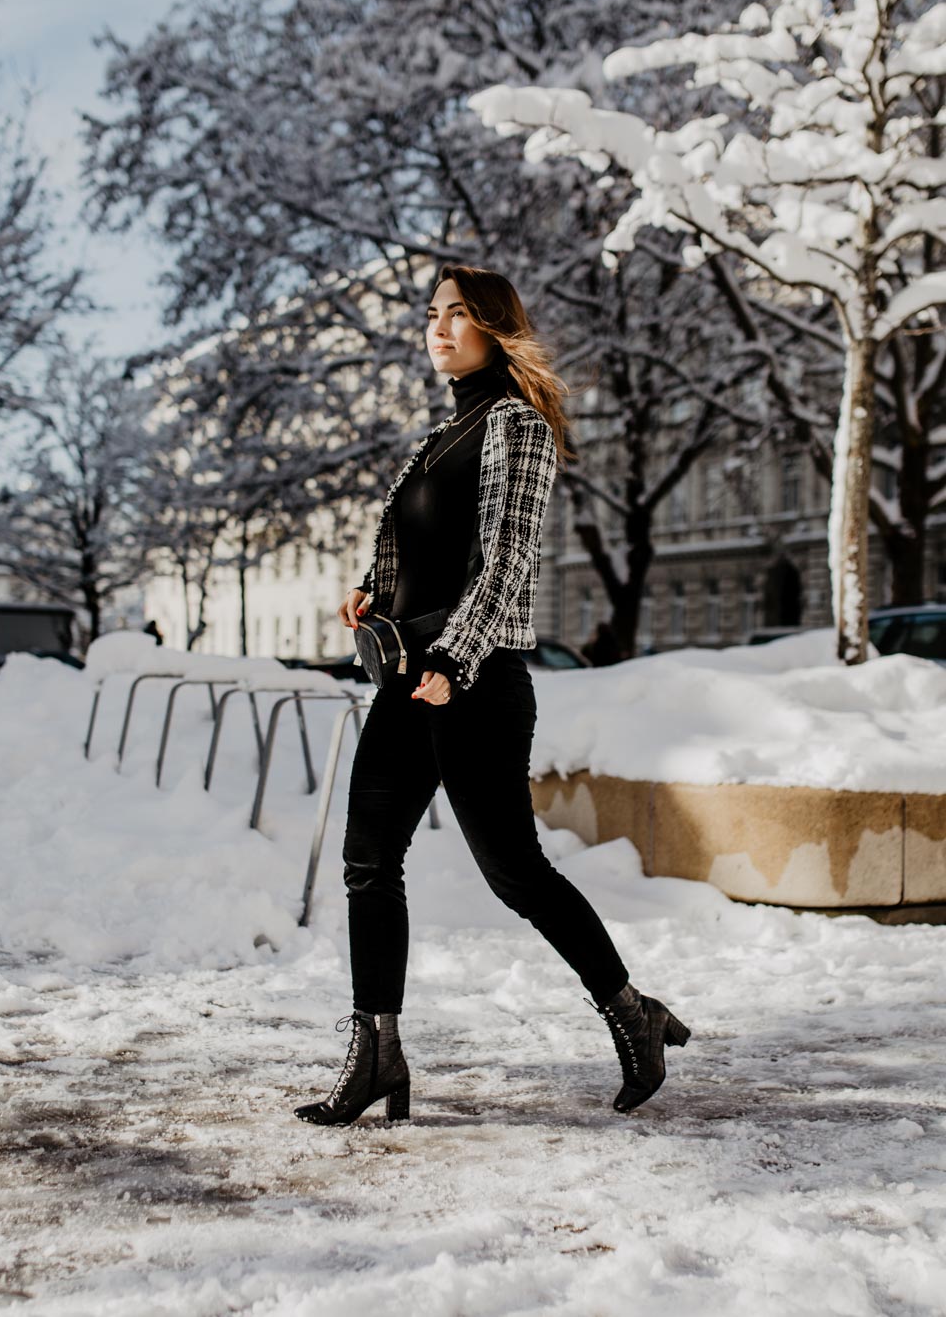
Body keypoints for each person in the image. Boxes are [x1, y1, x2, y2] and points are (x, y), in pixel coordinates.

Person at [294, 265, 690, 1127]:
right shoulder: (437, 437)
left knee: (516, 873)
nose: (438, 329)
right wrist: (372, 592)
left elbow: (507, 563)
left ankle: (632, 1013)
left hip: (472, 682)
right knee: (368, 863)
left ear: (495, 328)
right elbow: (426, 552)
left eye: (458, 315)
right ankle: (378, 1055)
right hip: (410, 675)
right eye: (431, 315)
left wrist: (457, 659)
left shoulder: (516, 427)